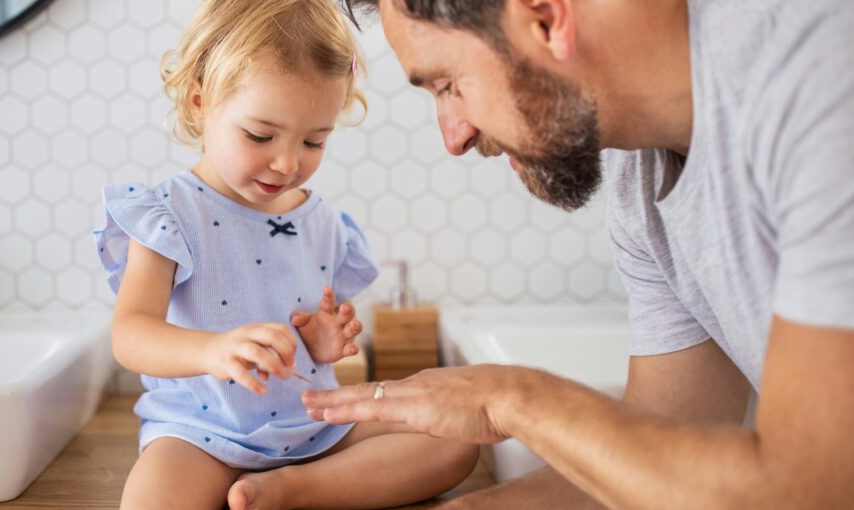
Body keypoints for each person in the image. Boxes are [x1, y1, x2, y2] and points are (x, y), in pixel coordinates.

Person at [304, 0, 854, 507]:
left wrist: (512, 396)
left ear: (545, 17)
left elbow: (803, 488)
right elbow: (657, 451)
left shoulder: (819, 76)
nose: (454, 136)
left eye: (449, 85)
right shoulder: (639, 173)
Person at [93, 1, 478, 508]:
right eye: (260, 135)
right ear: (198, 103)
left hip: (312, 425)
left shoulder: (323, 223)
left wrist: (319, 343)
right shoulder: (167, 214)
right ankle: (278, 488)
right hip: (200, 436)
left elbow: (302, 336)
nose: (288, 162)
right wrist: (212, 351)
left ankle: (291, 491)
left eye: (314, 141)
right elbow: (132, 335)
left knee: (456, 440)